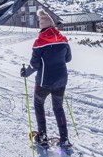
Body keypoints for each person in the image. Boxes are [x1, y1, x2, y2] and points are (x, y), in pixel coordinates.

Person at [21, 8, 73, 149]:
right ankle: (64, 139)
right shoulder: (63, 40)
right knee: (58, 107)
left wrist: (25, 73)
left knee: (39, 104)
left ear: (42, 27)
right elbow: (68, 59)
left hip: (44, 81)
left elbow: (34, 65)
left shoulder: (39, 42)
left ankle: (42, 136)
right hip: (61, 79)